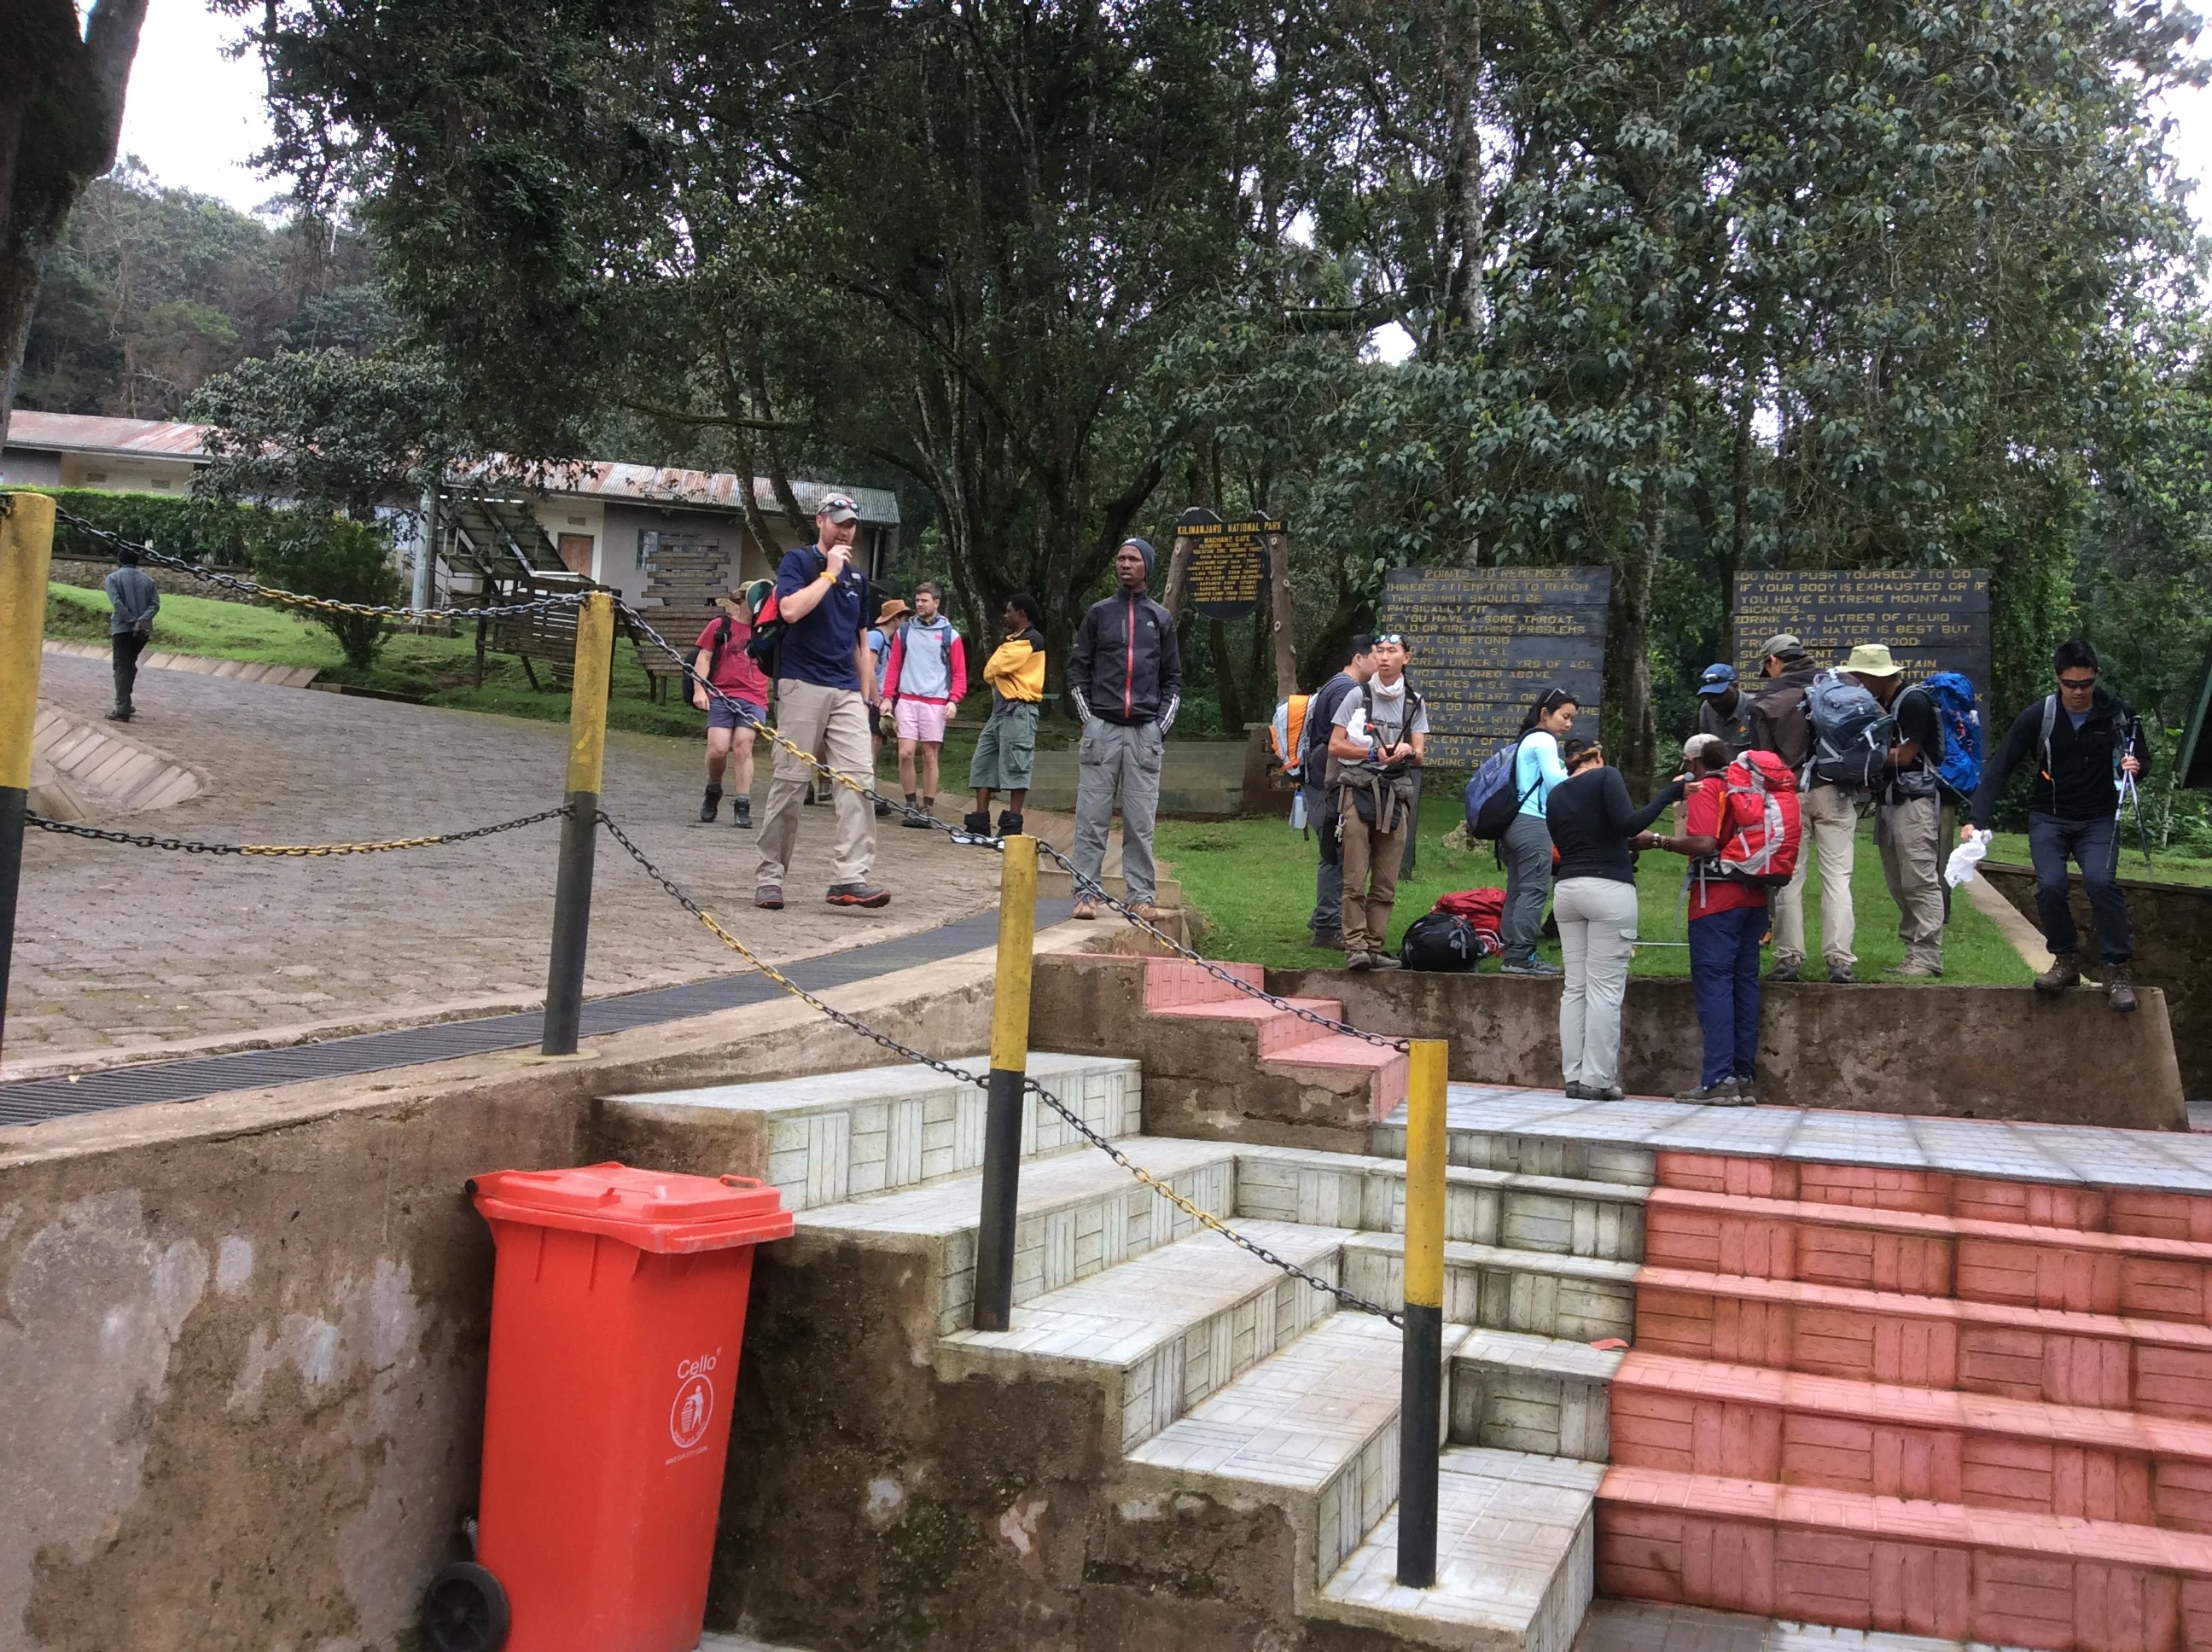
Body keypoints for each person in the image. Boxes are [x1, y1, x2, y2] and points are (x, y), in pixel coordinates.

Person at [1968, 638, 2145, 1011]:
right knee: (2050, 885)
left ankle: (2115, 969)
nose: (2079, 693)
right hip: (2049, 816)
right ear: (2057, 678)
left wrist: (2134, 767)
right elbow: (2000, 767)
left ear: (2096, 678)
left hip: (2098, 818)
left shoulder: (2118, 714)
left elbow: (2139, 760)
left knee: (2101, 881)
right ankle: (2065, 961)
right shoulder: (2040, 715)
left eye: (2086, 684)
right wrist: (1976, 819)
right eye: (2070, 684)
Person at [754, 493, 889, 910]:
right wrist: (829, 574)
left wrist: (871, 699)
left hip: (846, 688)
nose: (846, 531)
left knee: (859, 782)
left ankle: (850, 878)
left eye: (851, 525)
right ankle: (770, 876)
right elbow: (792, 610)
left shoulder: (860, 581)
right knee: (791, 783)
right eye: (839, 523)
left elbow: (860, 642)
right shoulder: (798, 563)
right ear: (821, 523)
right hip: (801, 683)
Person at [1547, 737, 1684, 1099]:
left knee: (1574, 988)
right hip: (1608, 889)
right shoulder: (1607, 776)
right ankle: (1598, 1080)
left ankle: (1573, 1077)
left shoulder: (1556, 794)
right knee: (1605, 990)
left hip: (1567, 891)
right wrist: (1669, 793)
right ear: (1599, 755)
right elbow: (1628, 824)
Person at [1067, 537, 1181, 922]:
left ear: (1147, 566)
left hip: (1144, 734)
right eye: (1120, 558)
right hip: (1103, 730)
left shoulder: (1161, 619)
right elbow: (1077, 670)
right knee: (1091, 817)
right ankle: (1085, 893)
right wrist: (1089, 719)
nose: (1125, 564)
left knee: (1140, 822)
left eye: (1133, 559)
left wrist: (1159, 727)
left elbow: (1173, 680)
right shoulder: (1099, 614)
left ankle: (1141, 896)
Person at [1648, 733, 1762, 1103]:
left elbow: (1703, 843)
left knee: (1715, 987)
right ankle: (1743, 1076)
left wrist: (1658, 841)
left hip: (1715, 902)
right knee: (1745, 986)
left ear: (1692, 761)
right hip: (1755, 897)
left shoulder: (1706, 789)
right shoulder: (1747, 787)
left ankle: (1718, 1080)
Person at [1749, 633, 1854, 983]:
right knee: (1838, 879)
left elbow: (1762, 761)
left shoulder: (1769, 699)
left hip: (1790, 795)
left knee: (1790, 879)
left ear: (1774, 660)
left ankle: (1788, 959)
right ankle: (1839, 961)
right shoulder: (1843, 684)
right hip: (1836, 792)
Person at [1324, 632, 1427, 970]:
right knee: (1354, 876)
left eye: (1392, 651)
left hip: (1395, 795)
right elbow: (1335, 745)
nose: (1384, 657)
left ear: (1405, 659)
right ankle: (1355, 946)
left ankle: (1376, 947)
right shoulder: (1357, 694)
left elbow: (1420, 755)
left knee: (1385, 881)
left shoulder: (1414, 702)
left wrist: (1407, 751)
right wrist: (1370, 751)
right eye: (1379, 651)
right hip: (1359, 790)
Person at [1842, 643, 1944, 978]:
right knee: (1898, 881)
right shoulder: (1884, 704)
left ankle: (1928, 955)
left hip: (1916, 802)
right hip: (1890, 800)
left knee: (1919, 879)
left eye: (1860, 676)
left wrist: (1854, 759)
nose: (1856, 683)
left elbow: (1906, 755)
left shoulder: (1913, 701)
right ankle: (1913, 951)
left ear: (1875, 675)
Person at [1302, 636, 1379, 951]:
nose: (1381, 662)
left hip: (1319, 779)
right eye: (1376, 655)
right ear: (1359, 659)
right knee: (1335, 853)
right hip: (1329, 782)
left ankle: (1325, 917)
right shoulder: (1348, 691)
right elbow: (1344, 741)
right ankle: (1327, 926)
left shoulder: (1335, 685)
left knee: (1333, 851)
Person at [1501, 688, 1578, 975]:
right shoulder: (1544, 740)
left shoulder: (1525, 740)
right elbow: (1555, 783)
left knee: (1517, 891)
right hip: (1533, 823)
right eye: (1565, 717)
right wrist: (1580, 776)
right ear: (1545, 714)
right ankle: (1522, 956)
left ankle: (1511, 953)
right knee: (1534, 891)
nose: (1568, 724)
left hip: (1512, 823)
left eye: (1572, 719)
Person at [882, 583, 967, 827]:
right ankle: (910, 803)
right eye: (917, 600)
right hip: (907, 698)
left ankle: (927, 806)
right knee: (905, 753)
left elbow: (959, 672)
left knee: (930, 755)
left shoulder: (951, 635)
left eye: (925, 601)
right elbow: (894, 666)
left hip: (936, 701)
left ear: (937, 602)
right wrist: (888, 696)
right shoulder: (905, 632)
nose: (920, 605)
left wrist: (954, 699)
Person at [965, 594, 1047, 838]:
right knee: (982, 762)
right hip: (998, 712)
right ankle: (979, 822)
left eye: (1009, 611)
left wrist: (997, 665)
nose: (1005, 615)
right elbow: (988, 670)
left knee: (1017, 765)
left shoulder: (1033, 639)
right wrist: (996, 665)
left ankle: (1012, 826)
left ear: (1021, 613)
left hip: (1019, 710)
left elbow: (998, 667)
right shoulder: (1012, 641)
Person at [691, 585, 772, 829]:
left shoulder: (768, 631)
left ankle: (742, 803)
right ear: (742, 601)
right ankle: (713, 789)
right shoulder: (720, 626)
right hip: (721, 694)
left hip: (754, 697)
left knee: (743, 746)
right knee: (717, 749)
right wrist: (699, 689)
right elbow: (703, 657)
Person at [861, 598, 908, 818]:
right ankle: (865, 793)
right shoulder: (876, 637)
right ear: (895, 619)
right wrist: (876, 698)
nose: (905, 621)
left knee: (875, 746)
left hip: (877, 701)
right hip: (872, 701)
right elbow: (867, 668)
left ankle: (869, 791)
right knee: (870, 747)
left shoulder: (887, 642)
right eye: (903, 617)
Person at [103, 547, 160, 722]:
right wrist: (140, 621)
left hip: (121, 628)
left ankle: (122, 709)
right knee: (130, 665)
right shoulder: (148, 581)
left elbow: (117, 603)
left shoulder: (113, 579)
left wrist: (130, 620)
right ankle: (126, 703)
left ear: (119, 561)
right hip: (142, 631)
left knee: (121, 667)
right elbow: (155, 605)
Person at [1696, 663, 1752, 754]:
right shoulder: (1706, 709)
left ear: (1735, 686)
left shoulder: (1754, 708)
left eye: (1719, 694)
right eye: (1708, 695)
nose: (1714, 701)